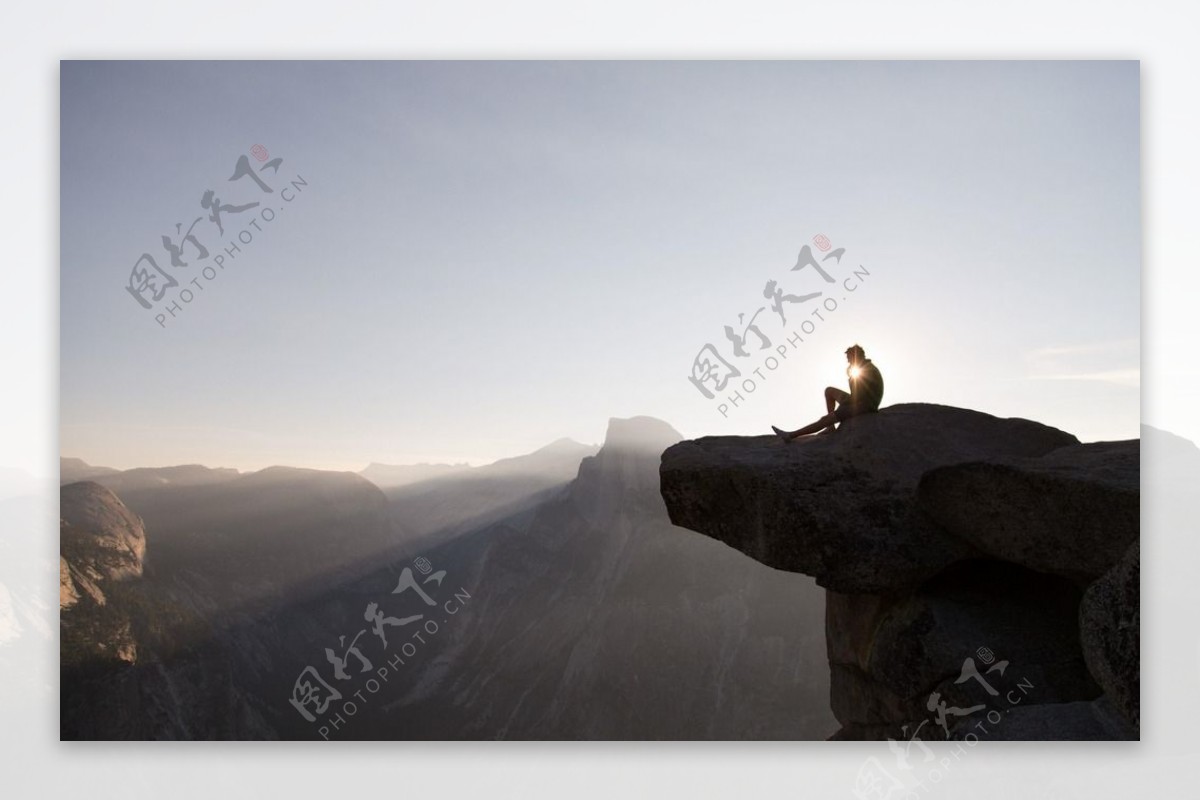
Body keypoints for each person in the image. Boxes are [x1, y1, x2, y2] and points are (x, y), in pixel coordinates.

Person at [772, 344, 884, 441]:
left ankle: (790, 435)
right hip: (860, 399)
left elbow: (859, 396)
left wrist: (841, 409)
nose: (848, 361)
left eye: (849, 358)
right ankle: (830, 427)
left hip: (864, 405)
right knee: (829, 391)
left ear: (855, 356)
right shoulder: (862, 367)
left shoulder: (866, 370)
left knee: (826, 419)